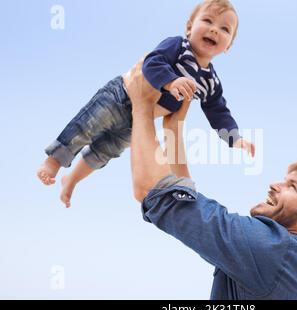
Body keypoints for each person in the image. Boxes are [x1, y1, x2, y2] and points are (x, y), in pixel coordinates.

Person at [125, 61, 297, 300]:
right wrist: (174, 128)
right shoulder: (291, 265)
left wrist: (141, 104)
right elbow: (191, 207)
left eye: (292, 186)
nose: (274, 185)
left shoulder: (276, 251)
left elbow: (155, 193)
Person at [37, 0, 254, 208]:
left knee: (104, 152)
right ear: (189, 27)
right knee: (86, 127)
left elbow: (218, 111)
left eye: (225, 28)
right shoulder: (178, 46)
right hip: (120, 96)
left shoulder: (210, 83)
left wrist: (234, 139)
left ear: (229, 46)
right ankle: (55, 160)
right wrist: (171, 81)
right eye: (207, 21)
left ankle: (72, 180)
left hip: (140, 122)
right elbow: (153, 62)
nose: (214, 29)